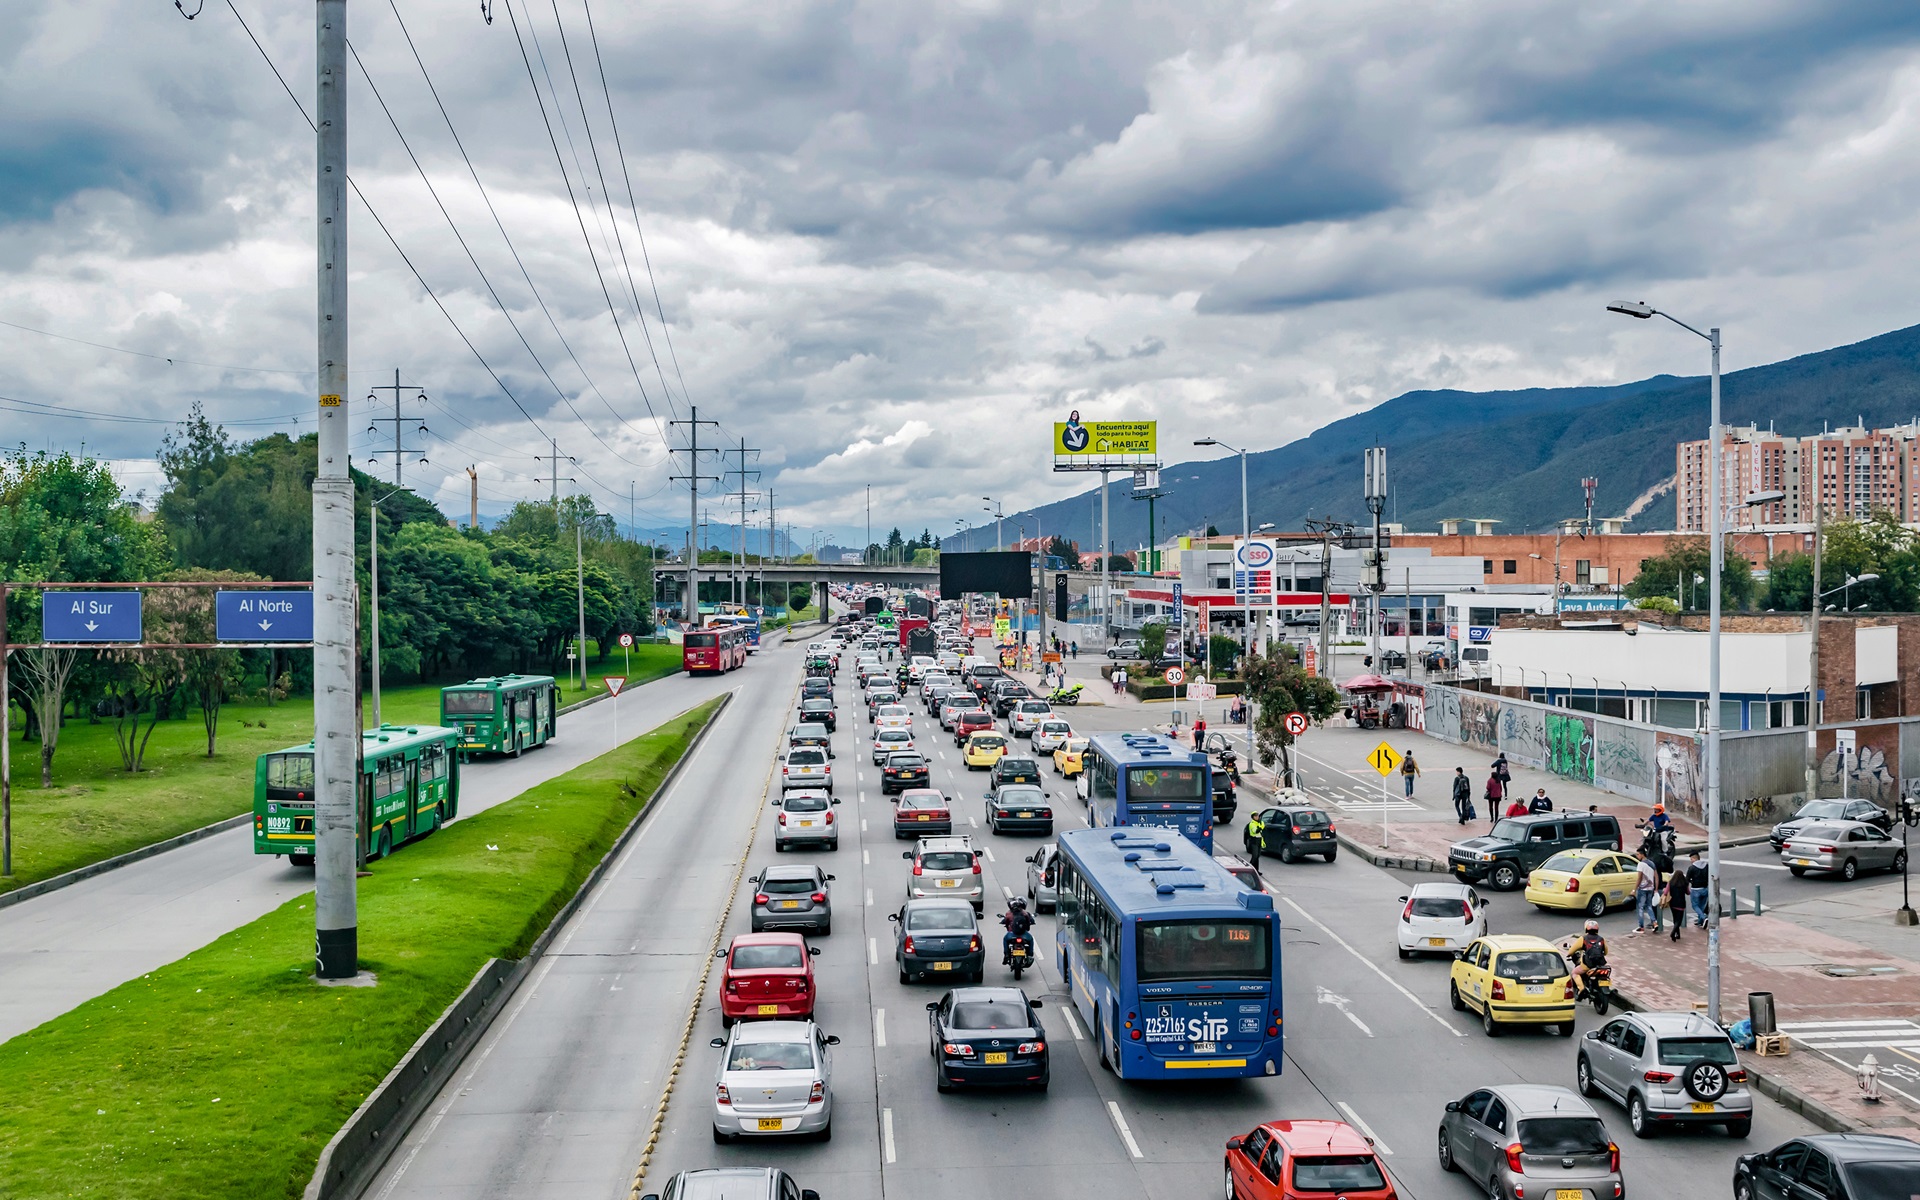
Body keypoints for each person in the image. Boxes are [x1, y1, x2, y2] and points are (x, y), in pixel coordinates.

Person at [1571, 919, 1609, 996]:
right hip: (1600, 964)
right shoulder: (1602, 939)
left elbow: (1571, 951)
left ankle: (1581, 988)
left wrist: (1569, 954)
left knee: (1574, 972)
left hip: (1588, 965)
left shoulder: (1583, 938)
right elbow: (1606, 952)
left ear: (1586, 928)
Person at [1632, 851, 1662, 935]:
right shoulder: (1652, 863)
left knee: (1640, 907)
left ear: (1642, 854)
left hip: (1642, 889)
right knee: (1649, 906)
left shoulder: (1641, 864)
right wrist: (1655, 888)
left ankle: (1641, 927)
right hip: (1651, 888)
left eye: (1638, 854)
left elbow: (1639, 878)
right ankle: (1655, 922)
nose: (1637, 856)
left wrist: (1634, 889)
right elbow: (1656, 877)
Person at [999, 897, 1036, 963]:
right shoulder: (1025, 913)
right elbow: (1029, 922)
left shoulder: (1008, 914)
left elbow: (1006, 922)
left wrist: (1007, 927)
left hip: (1012, 934)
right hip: (1023, 934)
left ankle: (1006, 954)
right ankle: (1030, 955)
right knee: (1031, 940)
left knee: (1005, 939)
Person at [1666, 858, 1690, 941]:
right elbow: (1688, 892)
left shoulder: (1671, 883)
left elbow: (1665, 892)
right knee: (1679, 920)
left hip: (1672, 903)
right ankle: (1673, 932)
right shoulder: (1684, 884)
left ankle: (1677, 934)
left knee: (1675, 919)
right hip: (1681, 903)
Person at [1686, 849, 1710, 928]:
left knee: (1695, 906)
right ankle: (1700, 921)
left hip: (1696, 889)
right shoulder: (1706, 866)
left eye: (1691, 859)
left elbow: (1687, 879)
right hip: (1705, 889)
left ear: (1694, 858)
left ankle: (1704, 918)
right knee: (1702, 906)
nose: (1691, 861)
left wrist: (1690, 883)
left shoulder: (1692, 868)